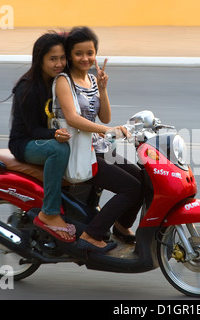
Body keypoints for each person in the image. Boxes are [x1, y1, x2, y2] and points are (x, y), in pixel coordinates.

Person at [54, 26, 142, 253]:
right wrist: (107, 130)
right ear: (70, 55)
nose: (85, 58)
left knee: (143, 179)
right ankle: (92, 235)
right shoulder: (64, 81)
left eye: (90, 53)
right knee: (130, 188)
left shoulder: (91, 80)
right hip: (78, 150)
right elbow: (72, 119)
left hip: (97, 147)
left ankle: (122, 227)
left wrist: (102, 88)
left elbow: (104, 116)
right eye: (79, 53)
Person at [9, 32, 76, 243]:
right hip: (25, 142)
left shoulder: (61, 82)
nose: (59, 63)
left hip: (48, 137)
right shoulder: (27, 88)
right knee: (59, 150)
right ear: (40, 60)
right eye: (52, 59)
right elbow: (32, 129)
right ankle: (49, 212)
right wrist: (54, 134)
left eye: (62, 58)